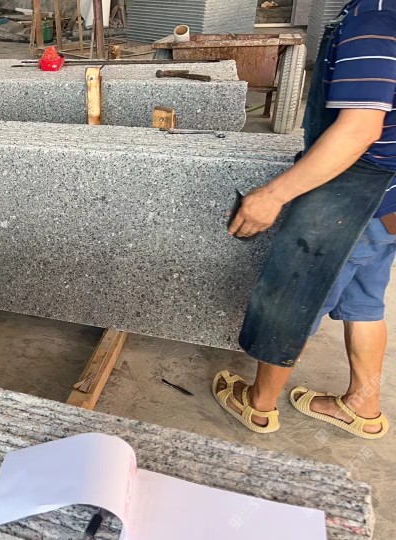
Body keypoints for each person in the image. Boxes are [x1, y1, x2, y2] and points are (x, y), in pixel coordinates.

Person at [213, 0, 396, 439]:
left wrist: (273, 194)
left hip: (352, 194)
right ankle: (363, 405)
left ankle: (259, 405)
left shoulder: (373, 19)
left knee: (295, 301)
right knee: (364, 302)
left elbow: (359, 129)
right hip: (389, 199)